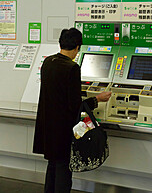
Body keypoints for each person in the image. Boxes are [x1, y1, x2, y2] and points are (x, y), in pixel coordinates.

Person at [33, 27, 111, 193]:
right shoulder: (72, 68)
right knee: (63, 170)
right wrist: (97, 99)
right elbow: (75, 106)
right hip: (63, 129)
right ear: (77, 47)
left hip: (48, 126)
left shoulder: (48, 62)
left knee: (52, 166)